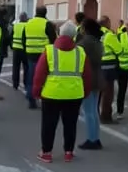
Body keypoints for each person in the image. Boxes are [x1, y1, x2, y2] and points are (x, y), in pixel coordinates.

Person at [30, 25, 91, 163]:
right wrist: (85, 92)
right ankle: (68, 152)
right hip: (74, 94)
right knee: (70, 124)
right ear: (74, 36)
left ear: (59, 34)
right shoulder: (80, 52)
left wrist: (36, 91)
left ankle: (46, 152)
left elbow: (39, 74)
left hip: (52, 94)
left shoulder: (49, 51)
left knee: (48, 124)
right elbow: (87, 75)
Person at [75, 15, 106, 151]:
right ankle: (95, 138)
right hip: (98, 77)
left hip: (87, 78)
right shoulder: (98, 42)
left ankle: (92, 139)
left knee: (88, 111)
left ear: (85, 29)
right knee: (94, 110)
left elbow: (76, 56)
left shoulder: (84, 43)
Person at [15, 9, 46, 100]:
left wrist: (26, 48)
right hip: (43, 54)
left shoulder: (28, 24)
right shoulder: (47, 24)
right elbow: (53, 40)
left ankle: (30, 95)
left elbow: (23, 38)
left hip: (30, 53)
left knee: (31, 74)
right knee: (42, 75)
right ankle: (41, 95)